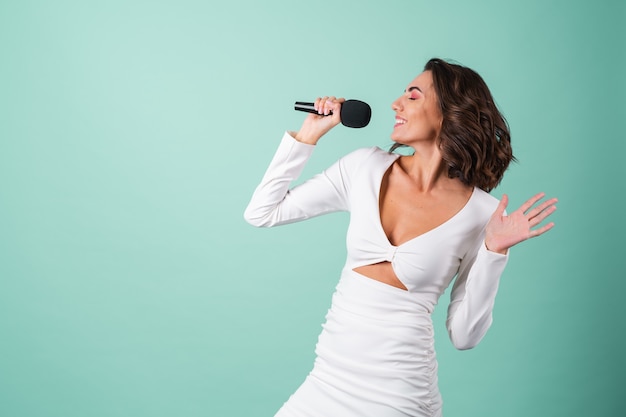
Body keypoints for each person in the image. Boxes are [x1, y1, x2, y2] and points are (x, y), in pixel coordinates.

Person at [243, 58, 557, 417]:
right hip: (326, 382)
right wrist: (308, 135)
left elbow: (464, 336)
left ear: (449, 112)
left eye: (412, 95)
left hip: (400, 397)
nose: (396, 104)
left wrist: (493, 252)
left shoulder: (482, 214)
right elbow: (262, 212)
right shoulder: (364, 167)